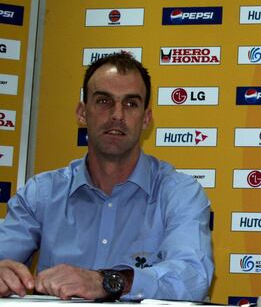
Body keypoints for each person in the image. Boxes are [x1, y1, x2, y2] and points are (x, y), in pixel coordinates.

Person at [0, 52, 213, 301]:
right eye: (104, 101)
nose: (117, 115)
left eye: (131, 104)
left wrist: (107, 281)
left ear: (146, 119)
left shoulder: (179, 192)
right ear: (82, 113)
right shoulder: (41, 193)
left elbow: (193, 277)